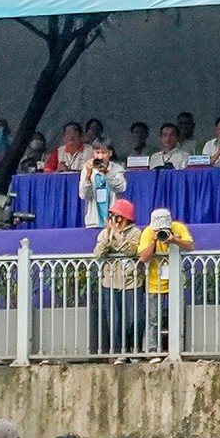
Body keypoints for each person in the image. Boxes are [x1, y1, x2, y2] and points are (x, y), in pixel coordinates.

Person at [137, 207, 194, 356]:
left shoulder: (178, 228)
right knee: (152, 319)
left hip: (176, 281)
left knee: (177, 317)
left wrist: (174, 239)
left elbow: (190, 246)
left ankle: (178, 349)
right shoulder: (148, 232)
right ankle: (152, 351)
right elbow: (143, 258)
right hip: (154, 282)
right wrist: (154, 242)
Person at [90, 197, 142, 358]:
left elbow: (132, 251)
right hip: (111, 282)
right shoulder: (104, 233)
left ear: (126, 218)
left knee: (134, 319)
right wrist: (108, 235)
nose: (114, 220)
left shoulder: (136, 233)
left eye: (118, 217)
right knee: (114, 319)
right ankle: (118, 352)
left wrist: (118, 236)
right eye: (112, 216)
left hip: (131, 281)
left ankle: (134, 350)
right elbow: (98, 253)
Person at [77, 140, 127, 228]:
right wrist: (88, 176)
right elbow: (84, 195)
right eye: (97, 152)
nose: (100, 157)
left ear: (110, 153)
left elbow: (120, 188)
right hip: (94, 222)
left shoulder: (117, 169)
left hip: (114, 222)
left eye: (103, 153)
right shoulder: (87, 169)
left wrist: (106, 173)